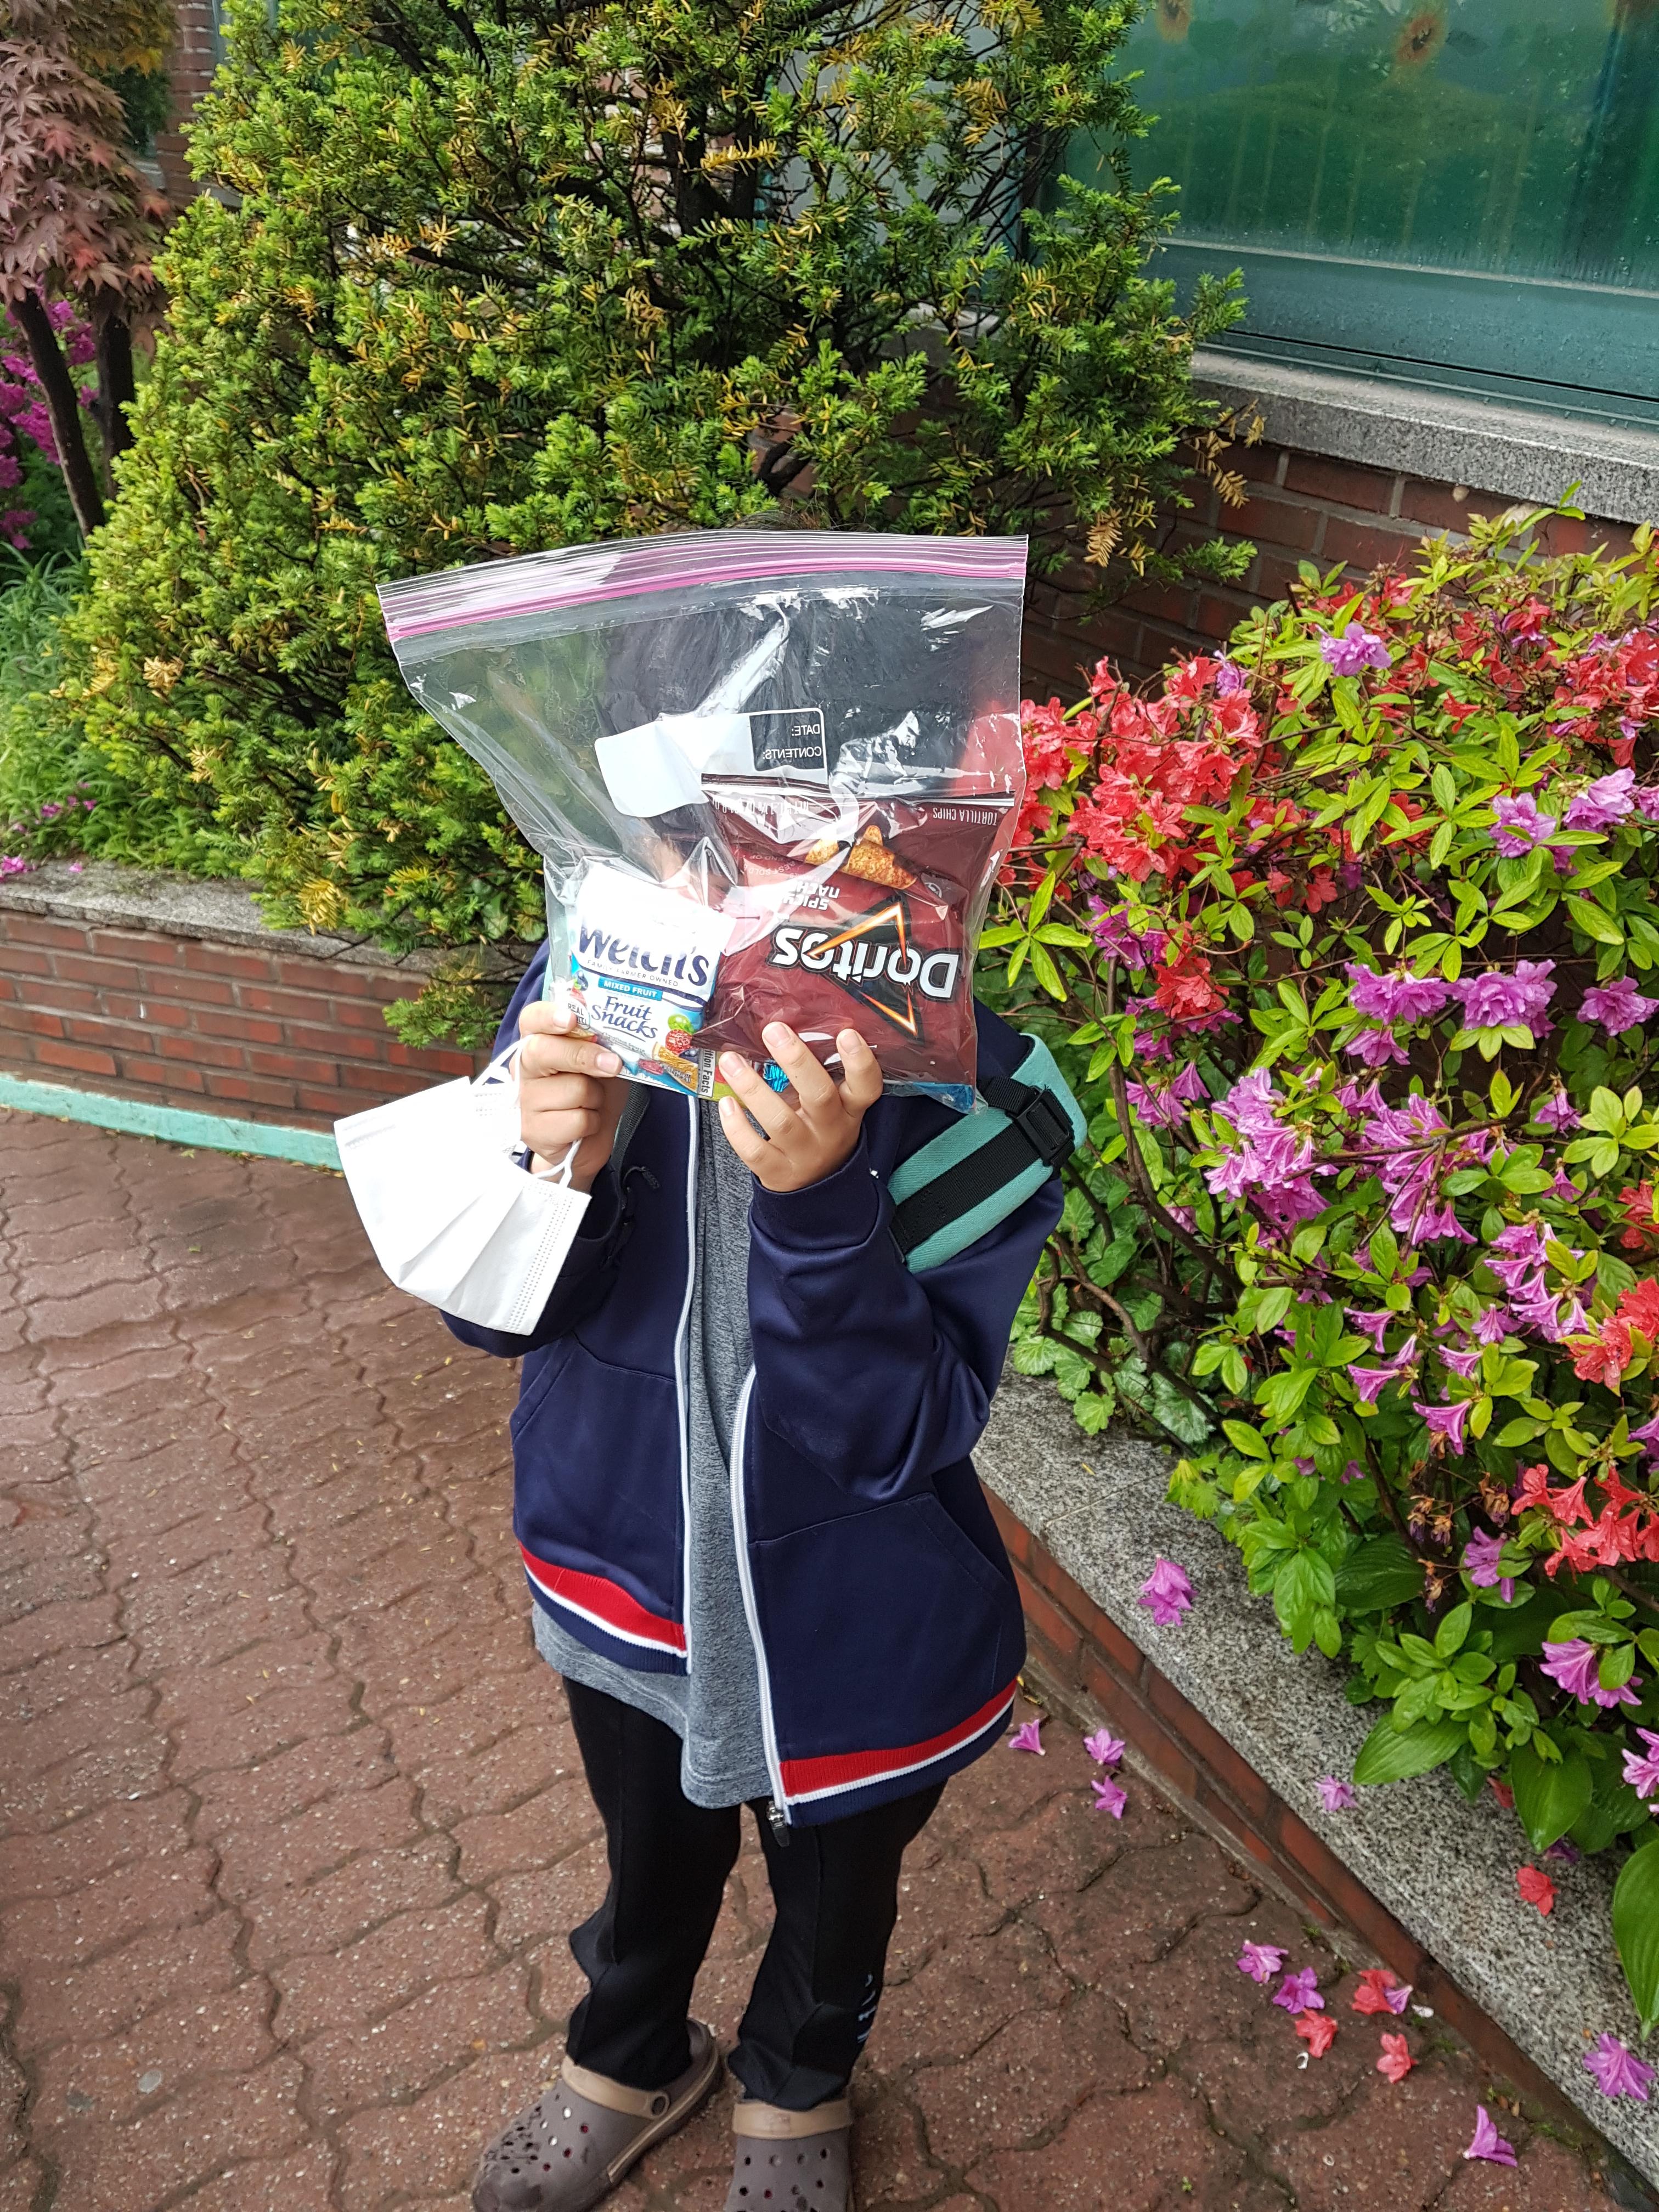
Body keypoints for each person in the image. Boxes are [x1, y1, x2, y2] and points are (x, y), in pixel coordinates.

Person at [443, 945, 1063, 2212]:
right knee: (647, 1852)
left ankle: (799, 2078)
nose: (741, 864)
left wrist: (826, 1202)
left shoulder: (978, 1082)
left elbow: (897, 1432)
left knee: (838, 1894)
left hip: (856, 1619)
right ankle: (627, 2054)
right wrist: (556, 1163)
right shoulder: (592, 981)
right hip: (621, 1557)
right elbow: (491, 1314)